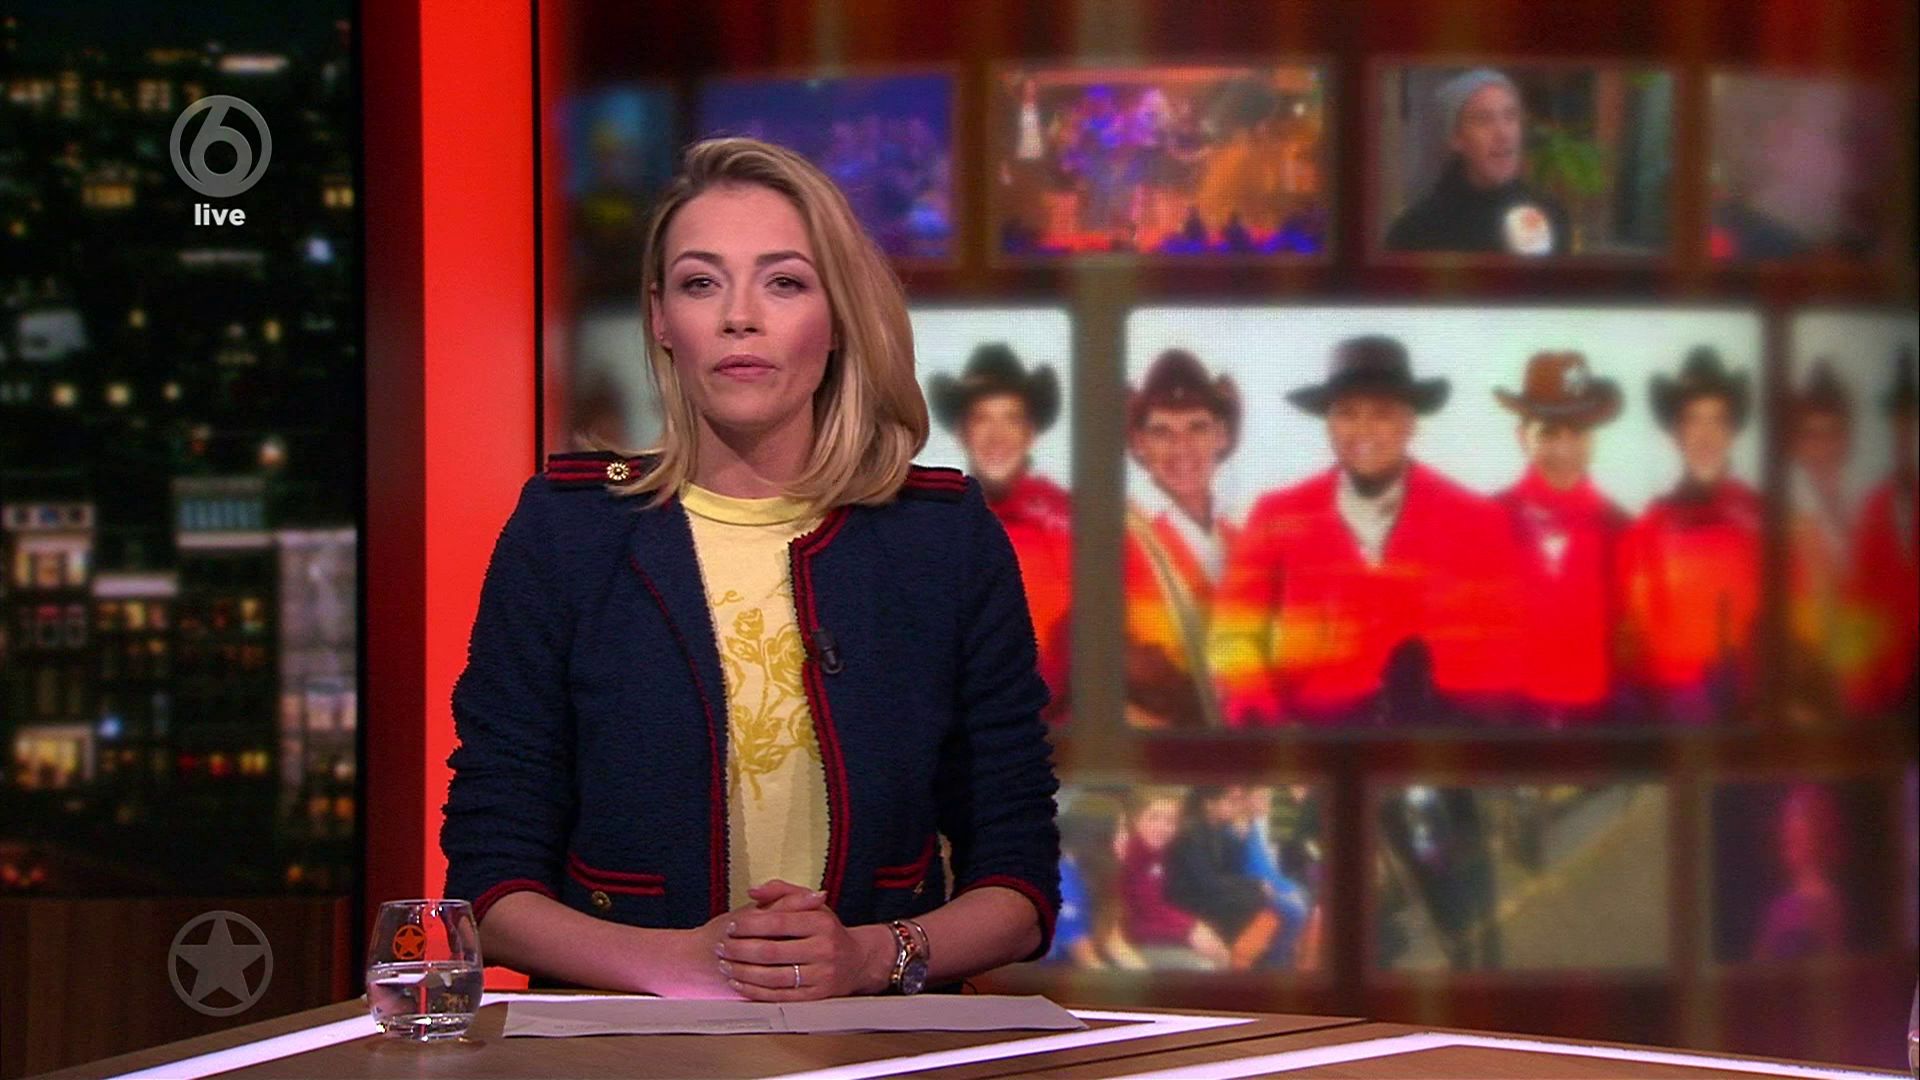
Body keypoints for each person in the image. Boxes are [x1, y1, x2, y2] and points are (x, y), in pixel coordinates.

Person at [441, 138, 1060, 999]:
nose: (740, 316)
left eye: (784, 283)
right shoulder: (566, 533)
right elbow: (490, 880)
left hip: (871, 1041)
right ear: (661, 318)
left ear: (839, 315)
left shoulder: (941, 539)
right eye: (701, 283)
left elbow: (1019, 879)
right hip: (628, 1041)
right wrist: (677, 967)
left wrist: (870, 957)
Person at [1210, 336, 1522, 726]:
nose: (1363, 430)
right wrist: (1271, 731)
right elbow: (1234, 639)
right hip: (1306, 744)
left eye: (1382, 413)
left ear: (1410, 423)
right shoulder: (1276, 516)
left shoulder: (1477, 521)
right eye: (1347, 413)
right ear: (1328, 424)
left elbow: (1500, 657)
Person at [1617, 346, 1762, 725]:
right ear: (1676, 434)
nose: (1705, 436)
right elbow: (1632, 639)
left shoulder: (1765, 522)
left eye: (1717, 421)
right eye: (1693, 420)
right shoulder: (1647, 531)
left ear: (1732, 432)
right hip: (1671, 717)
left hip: (1750, 714)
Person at [929, 343, 1074, 721]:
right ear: (962, 433)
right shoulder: (931, 528)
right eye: (982, 419)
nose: (998, 435)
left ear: (1030, 433)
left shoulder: (1072, 521)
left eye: (1012, 419)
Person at [1491, 351, 1629, 726]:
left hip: (1599, 727)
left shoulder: (1622, 529)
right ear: (1522, 437)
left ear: (1594, 439)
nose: (1565, 450)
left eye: (1577, 432)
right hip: (1509, 727)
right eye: (1549, 433)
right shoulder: (1486, 522)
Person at [1123, 349, 1241, 729]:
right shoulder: (1111, 539)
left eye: (1197, 428)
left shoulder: (1244, 540)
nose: (1181, 447)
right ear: (1139, 442)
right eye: (1162, 432)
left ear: (1222, 435)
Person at [1384, 68, 1570, 256]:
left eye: (1510, 116)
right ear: (1456, 137)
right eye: (1484, 120)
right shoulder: (1415, 231)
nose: (1503, 134)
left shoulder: (1550, 214)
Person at [1781, 359, 1863, 719]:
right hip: (1812, 694)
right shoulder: (1785, 520)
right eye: (1811, 436)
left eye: (1832, 434)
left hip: (1867, 690)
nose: (1823, 447)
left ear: (1846, 440)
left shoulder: (1866, 510)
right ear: (1796, 445)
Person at [1847, 347, 1919, 714]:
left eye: (1913, 426)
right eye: (1899, 426)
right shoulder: (1875, 506)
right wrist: (1862, 692)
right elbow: (1863, 599)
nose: (1906, 437)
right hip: (1891, 682)